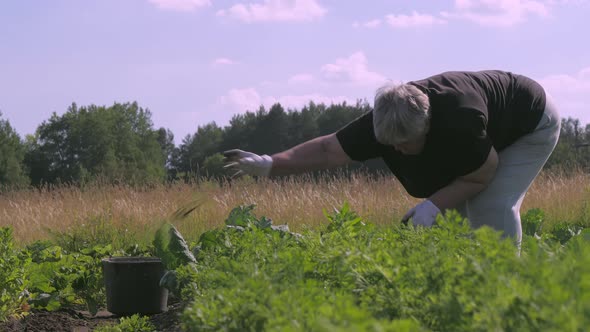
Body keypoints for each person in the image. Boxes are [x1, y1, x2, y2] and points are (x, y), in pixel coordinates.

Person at [223, 70, 561, 247]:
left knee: (490, 203)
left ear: (427, 126)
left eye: (407, 143)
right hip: (485, 136)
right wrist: (270, 163)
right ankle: (465, 284)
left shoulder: (459, 120)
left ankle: (505, 293)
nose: (398, 151)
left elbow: (481, 174)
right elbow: (328, 149)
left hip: (530, 122)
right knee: (454, 217)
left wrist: (430, 206)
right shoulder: (386, 120)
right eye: (391, 145)